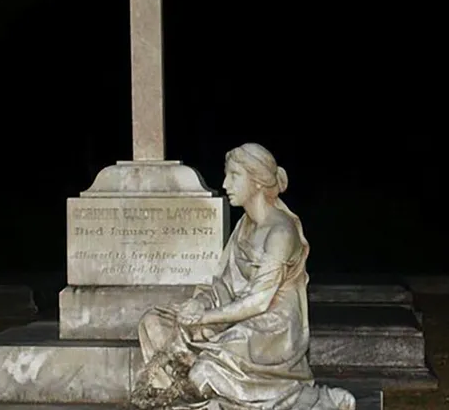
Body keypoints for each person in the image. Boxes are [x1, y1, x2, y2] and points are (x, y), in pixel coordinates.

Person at [132, 143, 356, 410]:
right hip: (232, 317)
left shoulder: (281, 233)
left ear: (258, 181)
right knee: (153, 323)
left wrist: (203, 318)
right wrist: (199, 304)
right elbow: (222, 284)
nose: (226, 183)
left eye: (234, 175)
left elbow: (259, 302)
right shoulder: (245, 226)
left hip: (271, 327)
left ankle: (309, 399)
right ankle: (200, 395)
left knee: (205, 371)